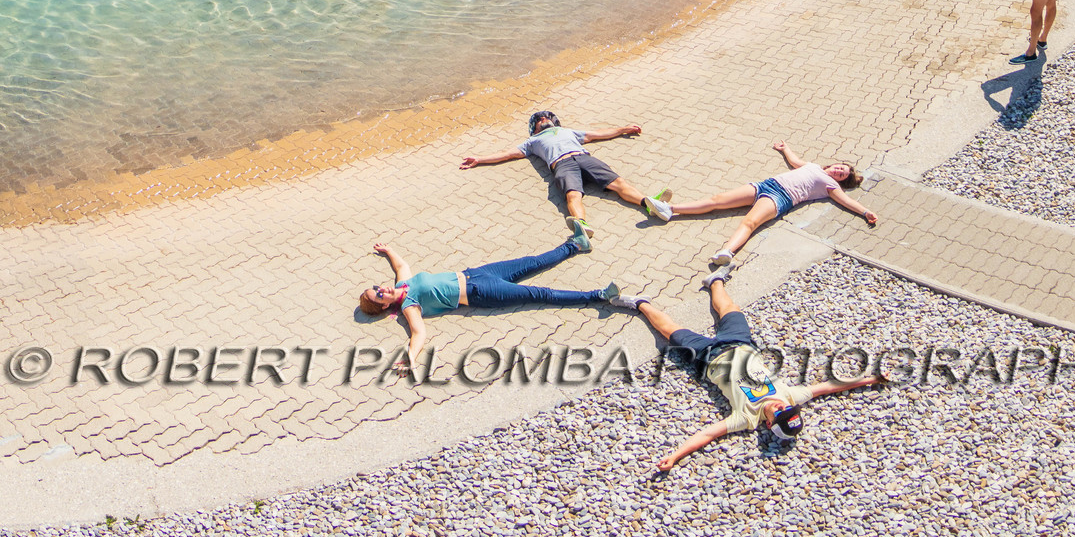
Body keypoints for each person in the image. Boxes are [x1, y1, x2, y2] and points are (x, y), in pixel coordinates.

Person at [631, 279, 887, 474]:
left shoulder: (746, 418)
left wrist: (676, 456)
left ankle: (639, 303)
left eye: (780, 414)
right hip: (742, 344)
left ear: (768, 423)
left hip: (708, 357)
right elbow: (830, 386)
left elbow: (708, 435)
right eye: (788, 410)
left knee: (670, 331)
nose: (781, 407)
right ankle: (716, 280)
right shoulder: (789, 396)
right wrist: (871, 378)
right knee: (731, 308)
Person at [361, 236, 635, 374]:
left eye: (376, 287)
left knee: (533, 261)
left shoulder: (402, 285)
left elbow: (402, 265)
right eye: (378, 296)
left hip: (476, 273)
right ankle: (599, 296)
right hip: (481, 292)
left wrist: (388, 251)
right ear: (384, 307)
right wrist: (410, 357)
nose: (381, 289)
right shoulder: (409, 305)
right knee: (541, 294)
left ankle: (576, 244)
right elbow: (419, 333)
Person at [665, 140, 877, 266]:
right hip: (765, 185)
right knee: (717, 200)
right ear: (835, 163)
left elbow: (847, 201)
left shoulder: (831, 185)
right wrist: (785, 148)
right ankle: (670, 209)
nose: (839, 171)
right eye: (841, 167)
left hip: (780, 198)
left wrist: (865, 212)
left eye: (842, 174)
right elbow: (795, 162)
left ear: (840, 181)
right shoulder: (813, 166)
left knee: (749, 223)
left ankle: (727, 252)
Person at [460, 109, 673, 229]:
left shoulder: (567, 131)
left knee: (620, 183)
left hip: (584, 158)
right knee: (572, 195)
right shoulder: (531, 141)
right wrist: (479, 159)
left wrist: (622, 129)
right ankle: (581, 225)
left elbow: (596, 134)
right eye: (539, 120)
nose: (543, 120)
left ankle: (649, 203)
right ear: (533, 128)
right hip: (562, 164)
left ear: (554, 121)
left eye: (546, 118)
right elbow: (508, 154)